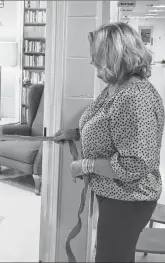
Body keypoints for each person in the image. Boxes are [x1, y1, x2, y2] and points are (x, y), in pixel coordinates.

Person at [54, 22, 164, 263]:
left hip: (130, 198)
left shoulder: (135, 98)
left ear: (113, 56)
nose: (92, 63)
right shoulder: (115, 87)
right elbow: (106, 123)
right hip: (116, 195)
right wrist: (76, 132)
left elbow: (135, 164)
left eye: (96, 57)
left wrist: (86, 165)